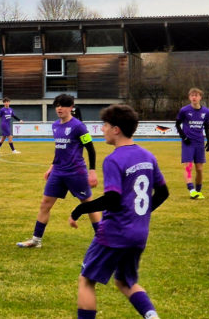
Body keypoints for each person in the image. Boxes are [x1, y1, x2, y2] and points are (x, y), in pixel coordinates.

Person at [68, 104, 168, 319]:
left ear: (116, 129)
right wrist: (140, 213)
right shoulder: (148, 156)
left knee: (86, 280)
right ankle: (152, 317)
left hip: (114, 233)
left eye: (105, 125)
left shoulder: (114, 159)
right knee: (125, 281)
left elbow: (112, 200)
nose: (101, 129)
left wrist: (80, 208)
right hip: (139, 234)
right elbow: (163, 192)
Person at [17, 94, 100, 248]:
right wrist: (52, 166)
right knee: (45, 204)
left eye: (63, 105)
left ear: (71, 108)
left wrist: (93, 171)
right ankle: (36, 241)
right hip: (58, 172)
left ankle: (103, 240)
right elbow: (59, 150)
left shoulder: (79, 126)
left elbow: (91, 149)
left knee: (89, 205)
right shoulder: (55, 126)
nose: (59, 108)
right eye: (57, 105)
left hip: (76, 173)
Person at [175, 88, 209, 199]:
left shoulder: (206, 111)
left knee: (199, 169)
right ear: (189, 97)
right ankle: (191, 190)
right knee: (188, 167)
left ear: (200, 97)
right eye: (192, 95)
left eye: (196, 95)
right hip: (188, 143)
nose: (194, 97)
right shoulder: (184, 110)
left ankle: (198, 191)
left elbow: (206, 127)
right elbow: (177, 124)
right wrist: (184, 137)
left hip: (199, 143)